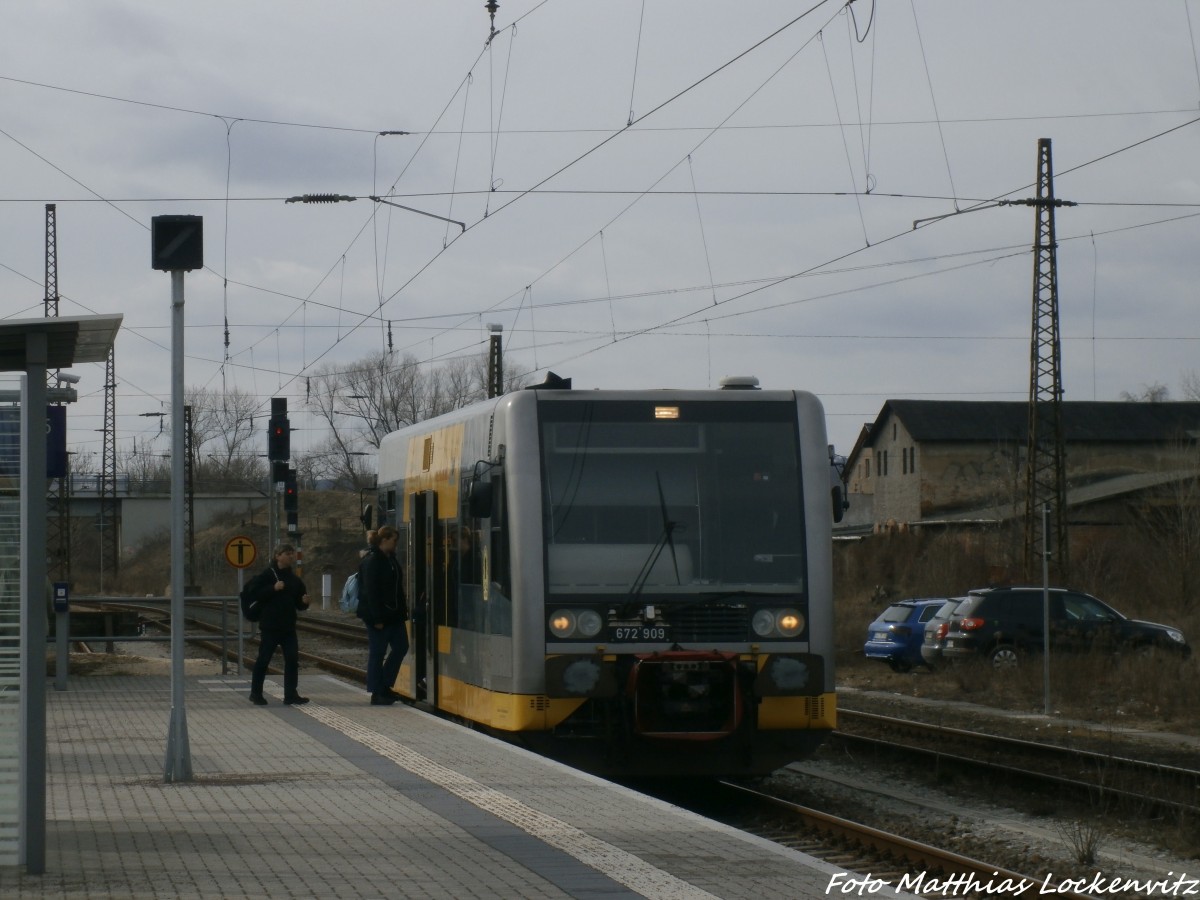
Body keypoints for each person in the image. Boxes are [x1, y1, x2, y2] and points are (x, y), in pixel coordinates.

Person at [245, 543, 311, 706]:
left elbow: (299, 603)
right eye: (287, 553)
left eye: (292, 553)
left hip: (288, 626)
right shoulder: (267, 575)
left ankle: (290, 694)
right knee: (264, 659)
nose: (291, 556)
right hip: (270, 626)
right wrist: (272, 588)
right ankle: (256, 693)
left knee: (292, 659)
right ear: (277, 556)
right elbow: (254, 593)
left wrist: (304, 603)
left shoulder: (295, 580)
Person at [357, 525, 409, 705]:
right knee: (378, 652)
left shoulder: (391, 559)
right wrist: (377, 618)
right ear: (384, 540)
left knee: (402, 646)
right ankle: (377, 691)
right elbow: (370, 592)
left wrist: (403, 611)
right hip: (378, 616)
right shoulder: (373, 561)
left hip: (394, 615)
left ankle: (385, 684)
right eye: (394, 541)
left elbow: (396, 588)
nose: (396, 544)